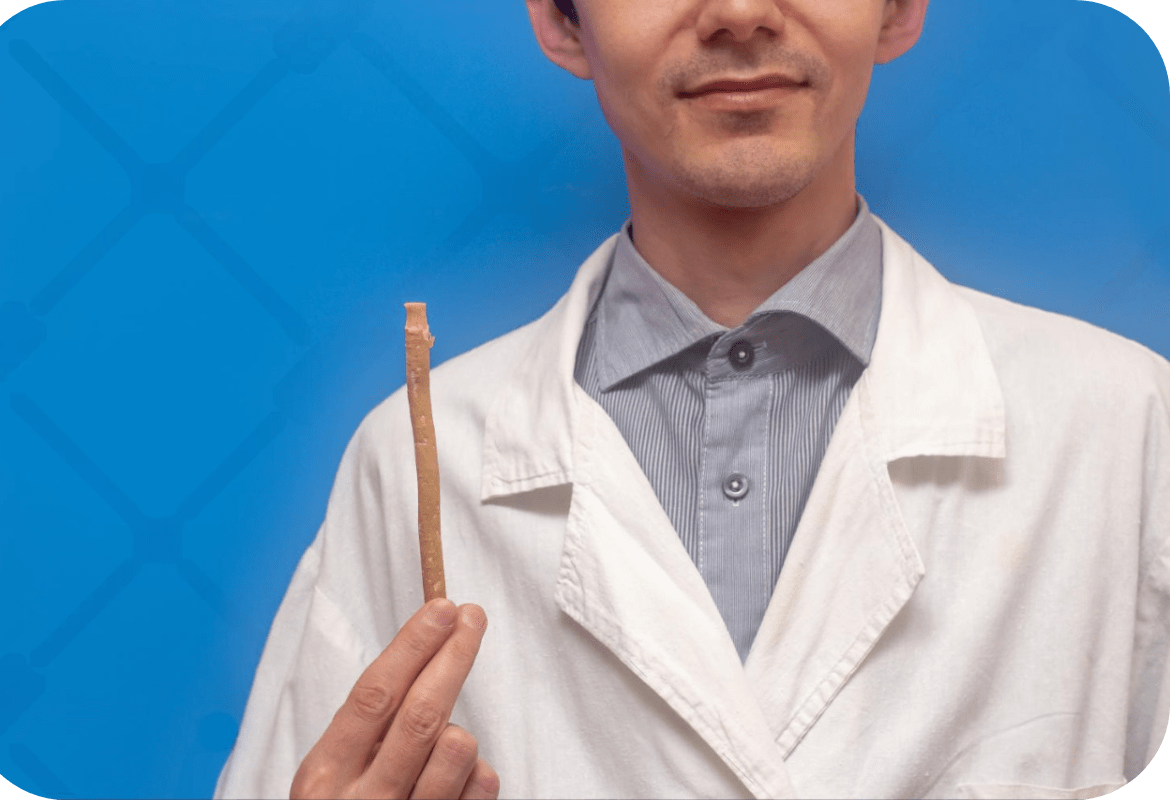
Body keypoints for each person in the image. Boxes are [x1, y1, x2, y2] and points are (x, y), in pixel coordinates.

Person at [214, 1, 1170, 797]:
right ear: (561, 21)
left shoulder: (1126, 426)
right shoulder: (414, 461)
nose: (741, 13)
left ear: (899, 7)